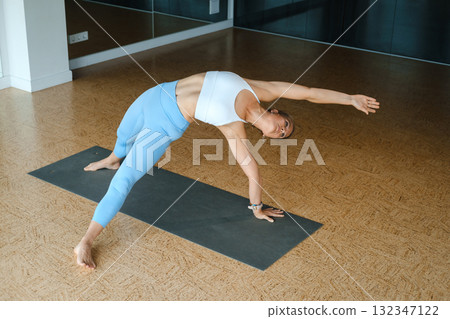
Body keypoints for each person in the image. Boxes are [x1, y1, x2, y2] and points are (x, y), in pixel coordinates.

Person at [75, 71, 380, 268]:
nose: (281, 131)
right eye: (285, 124)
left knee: (125, 179)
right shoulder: (257, 88)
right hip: (154, 95)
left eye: (282, 135)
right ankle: (114, 156)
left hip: (165, 126)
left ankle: (86, 241)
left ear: (268, 136)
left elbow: (252, 170)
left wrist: (257, 207)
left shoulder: (234, 128)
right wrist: (349, 98)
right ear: (275, 111)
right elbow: (309, 91)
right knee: (123, 136)